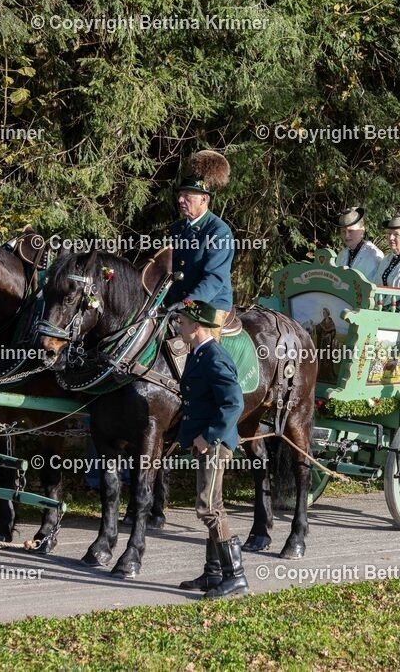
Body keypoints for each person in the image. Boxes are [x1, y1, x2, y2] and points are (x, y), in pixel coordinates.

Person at [173, 300, 247, 599]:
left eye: (183, 322)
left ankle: (235, 576)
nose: (179, 326)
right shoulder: (197, 354)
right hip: (204, 443)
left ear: (197, 327)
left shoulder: (214, 357)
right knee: (212, 504)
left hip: (215, 445)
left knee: (209, 508)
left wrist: (209, 437)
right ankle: (213, 573)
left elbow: (234, 403)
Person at [165, 150, 234, 339]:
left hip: (210, 304)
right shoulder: (176, 229)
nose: (180, 200)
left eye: (187, 196)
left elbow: (214, 278)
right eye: (180, 195)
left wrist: (188, 303)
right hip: (176, 304)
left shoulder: (219, 231)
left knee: (203, 348)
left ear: (204, 199)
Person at [333, 206, 383, 281]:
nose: (346, 236)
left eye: (351, 231)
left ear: (362, 230)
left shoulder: (373, 255)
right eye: (343, 231)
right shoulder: (341, 255)